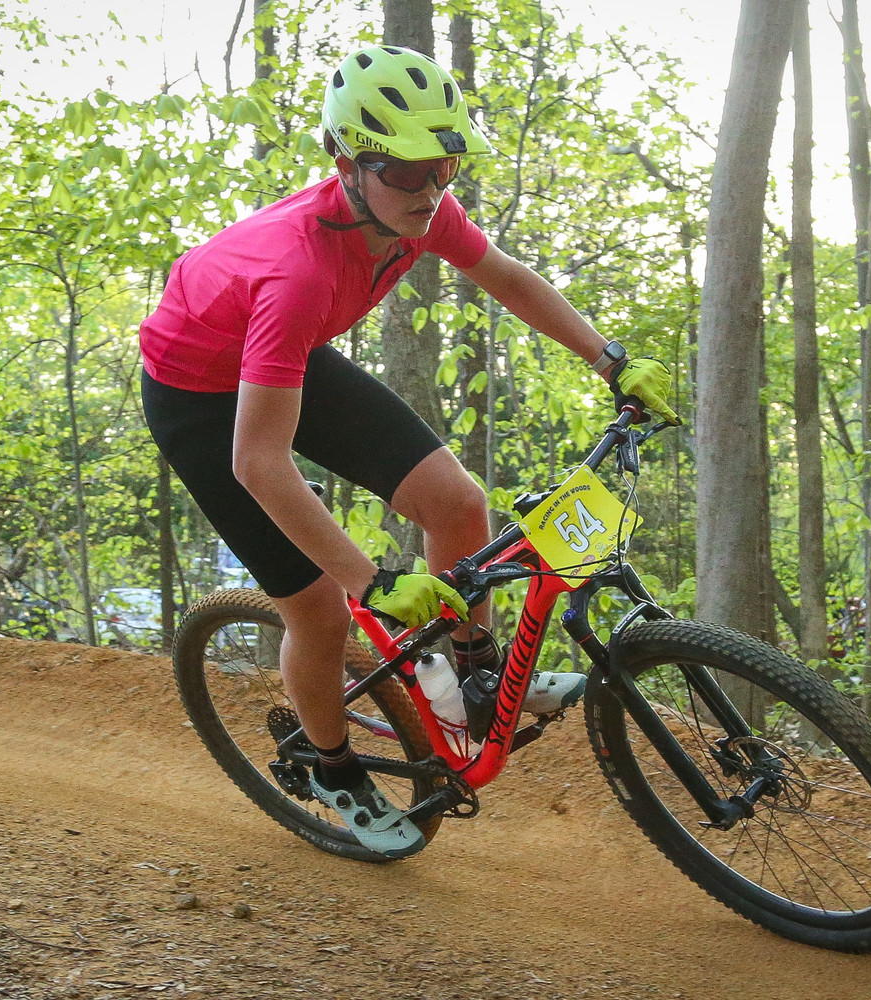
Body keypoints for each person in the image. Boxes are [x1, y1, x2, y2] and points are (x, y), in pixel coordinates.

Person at [139, 44, 679, 858]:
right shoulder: (296, 270)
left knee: (457, 503)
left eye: (444, 168)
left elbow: (507, 277)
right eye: (404, 171)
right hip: (196, 398)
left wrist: (610, 361)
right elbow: (258, 463)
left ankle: (473, 676)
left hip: (280, 354)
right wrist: (372, 581)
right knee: (321, 608)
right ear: (346, 163)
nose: (429, 192)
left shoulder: (419, 209)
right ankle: (331, 767)